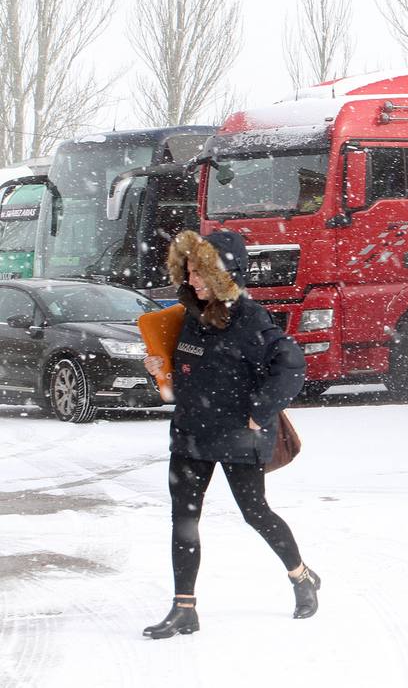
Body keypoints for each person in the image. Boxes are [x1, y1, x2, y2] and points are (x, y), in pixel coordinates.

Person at [141, 230, 316, 640]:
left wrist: (260, 412)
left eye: (200, 274)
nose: (193, 282)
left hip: (239, 433)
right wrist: (160, 373)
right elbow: (179, 381)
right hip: (191, 432)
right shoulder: (187, 317)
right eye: (189, 273)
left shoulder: (251, 319)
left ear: (225, 274)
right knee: (183, 518)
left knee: (255, 512)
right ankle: (184, 608)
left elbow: (291, 365)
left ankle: (301, 576)